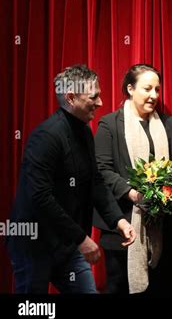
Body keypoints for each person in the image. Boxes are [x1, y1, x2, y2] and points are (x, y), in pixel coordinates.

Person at [6, 64, 136, 293]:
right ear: (71, 97)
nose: (100, 103)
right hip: (34, 246)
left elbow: (95, 182)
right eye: (93, 96)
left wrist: (119, 220)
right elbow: (40, 197)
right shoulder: (46, 136)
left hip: (66, 245)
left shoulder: (85, 131)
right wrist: (81, 239)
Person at [93, 64, 172, 294]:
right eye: (147, 88)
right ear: (130, 89)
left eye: (157, 89)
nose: (154, 95)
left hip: (165, 228)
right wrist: (133, 193)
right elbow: (101, 169)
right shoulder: (110, 125)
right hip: (123, 227)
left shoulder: (169, 124)